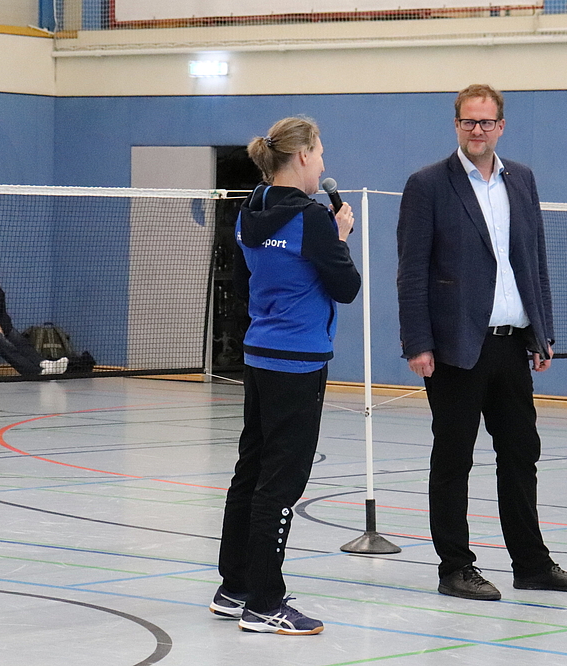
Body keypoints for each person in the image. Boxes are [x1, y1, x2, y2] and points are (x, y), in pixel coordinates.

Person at [396, 84, 567, 601]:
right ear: (456, 125)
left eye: (486, 122)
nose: (477, 130)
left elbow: (534, 260)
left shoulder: (521, 180)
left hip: (512, 346)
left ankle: (531, 565)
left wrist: (542, 332)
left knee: (521, 454)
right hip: (455, 349)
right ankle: (455, 568)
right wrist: (418, 342)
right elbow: (411, 271)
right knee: (453, 460)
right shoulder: (428, 185)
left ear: (501, 126)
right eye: (468, 121)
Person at [210, 116, 360, 635]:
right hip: (297, 361)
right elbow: (346, 287)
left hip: (258, 357)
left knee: (250, 471)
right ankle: (265, 602)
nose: (322, 163)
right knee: (281, 483)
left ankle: (234, 587)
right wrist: (340, 237)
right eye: (320, 152)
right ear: (301, 156)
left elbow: (247, 282)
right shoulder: (313, 220)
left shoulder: (248, 211)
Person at [0, 242, 67, 377]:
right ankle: (34, 372)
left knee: (18, 339)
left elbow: (1, 308)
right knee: (6, 345)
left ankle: (44, 363)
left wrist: (3, 324)